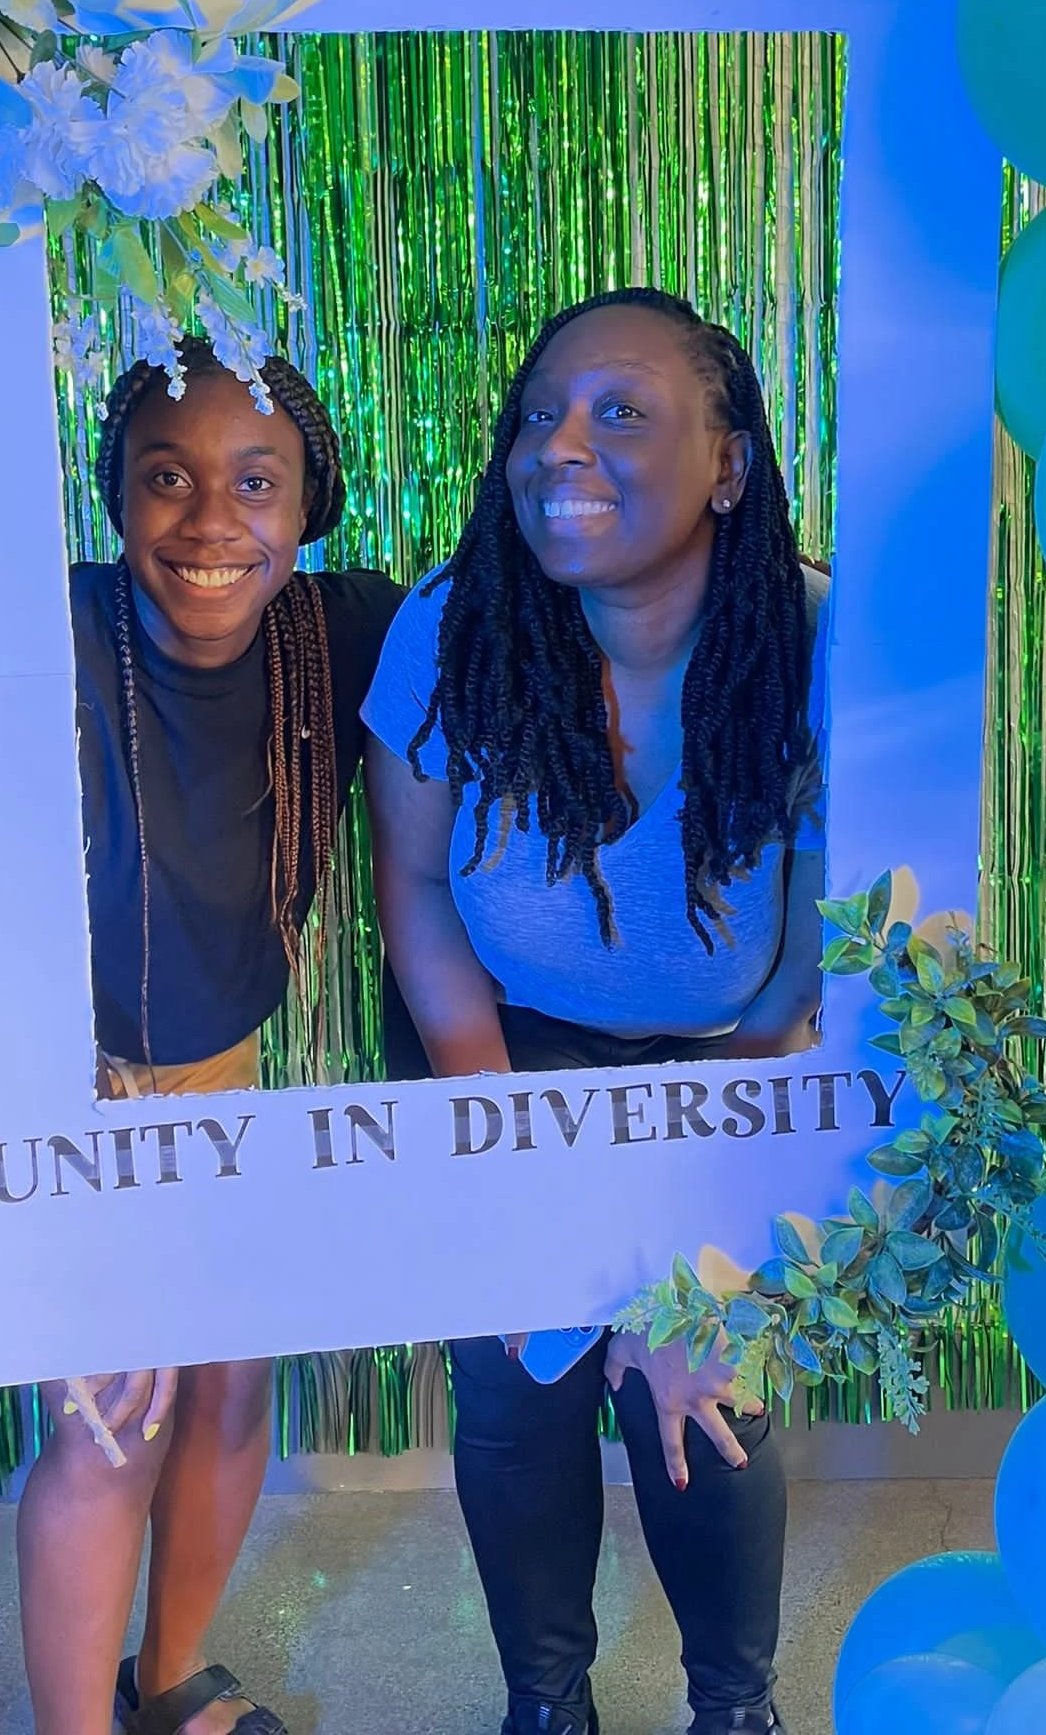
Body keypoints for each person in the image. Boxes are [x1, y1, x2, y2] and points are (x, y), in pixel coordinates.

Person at [0, 338, 399, 1735]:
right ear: (114, 494)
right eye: (166, 477)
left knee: (231, 1373)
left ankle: (170, 1685)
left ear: (311, 501)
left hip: (196, 1043)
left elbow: (543, 636)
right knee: (118, 1404)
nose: (210, 521)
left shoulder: (348, 634)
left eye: (255, 482)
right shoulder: (31, 637)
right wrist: (74, 1173)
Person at [363, 287, 828, 1735]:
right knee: (521, 1379)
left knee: (703, 1385)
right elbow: (416, 887)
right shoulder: (454, 626)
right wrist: (509, 1147)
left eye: (619, 412)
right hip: (506, 1050)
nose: (555, 447)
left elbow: (814, 965)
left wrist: (699, 1230)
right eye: (538, 416)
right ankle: (546, 1707)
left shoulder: (819, 641)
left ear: (729, 465)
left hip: (733, 1061)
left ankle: (734, 1710)